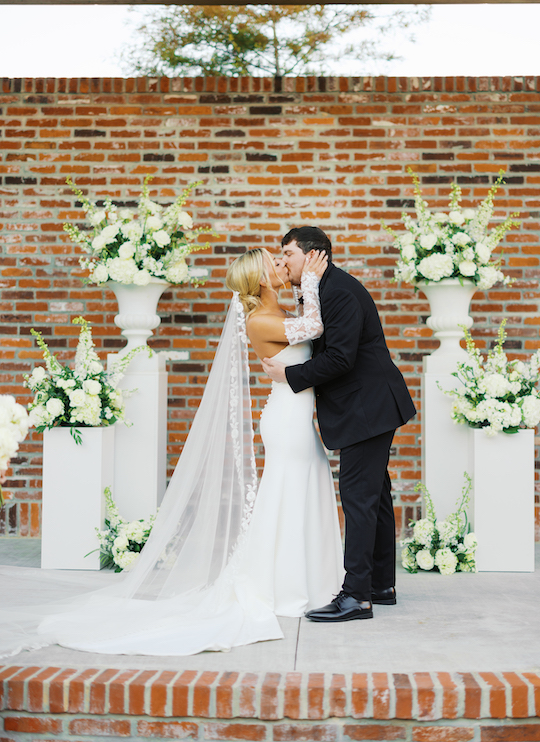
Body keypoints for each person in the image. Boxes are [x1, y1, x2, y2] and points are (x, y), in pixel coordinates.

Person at [0, 247, 344, 658]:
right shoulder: (260, 320)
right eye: (273, 262)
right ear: (261, 280)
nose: (280, 263)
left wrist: (303, 291)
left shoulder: (276, 312)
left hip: (297, 420)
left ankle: (310, 581)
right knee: (286, 498)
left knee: (304, 493)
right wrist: (309, 280)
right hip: (286, 424)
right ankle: (285, 588)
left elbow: (307, 329)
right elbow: (316, 328)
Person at [262, 227, 416, 623]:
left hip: (368, 407)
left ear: (314, 255)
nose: (283, 261)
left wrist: (289, 375)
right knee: (375, 497)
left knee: (359, 500)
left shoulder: (339, 292)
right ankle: (380, 585)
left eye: (288, 254)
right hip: (370, 405)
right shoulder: (322, 288)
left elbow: (341, 359)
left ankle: (356, 597)